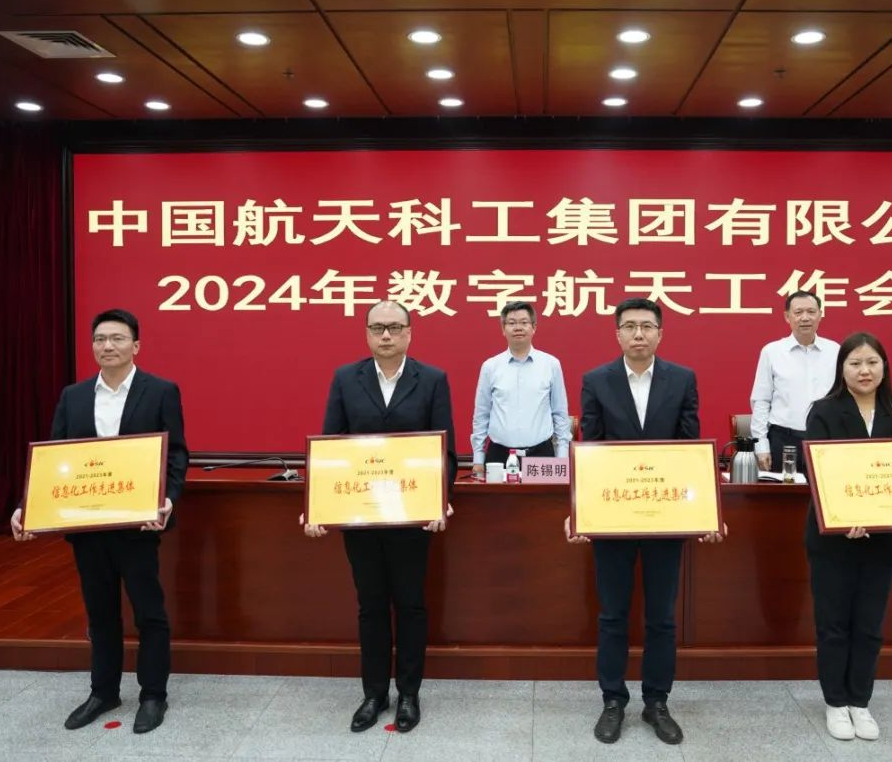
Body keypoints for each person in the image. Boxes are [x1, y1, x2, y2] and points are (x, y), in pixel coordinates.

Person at [10, 308, 188, 734]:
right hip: (88, 527)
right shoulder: (73, 396)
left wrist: (166, 500)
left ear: (135, 346)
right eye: (100, 339)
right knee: (100, 613)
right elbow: (54, 459)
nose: (107, 346)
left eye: (117, 338)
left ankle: (153, 694)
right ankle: (103, 691)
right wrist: (27, 506)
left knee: (149, 612)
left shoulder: (160, 391)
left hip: (138, 525)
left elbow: (177, 454)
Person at [564, 297, 725, 746]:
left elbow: (689, 448)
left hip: (665, 516)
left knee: (661, 617)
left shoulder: (682, 379)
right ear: (617, 333)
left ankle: (657, 702)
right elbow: (591, 450)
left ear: (660, 333)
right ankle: (613, 700)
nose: (639, 334)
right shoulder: (597, 380)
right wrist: (579, 510)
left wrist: (705, 511)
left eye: (647, 326)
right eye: (630, 326)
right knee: (613, 615)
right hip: (613, 515)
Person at [302, 300, 457, 734]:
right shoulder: (345, 378)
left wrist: (440, 499)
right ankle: (373, 693)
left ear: (409, 332)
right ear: (367, 334)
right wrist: (318, 505)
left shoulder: (432, 379)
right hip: (361, 515)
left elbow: (445, 451)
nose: (385, 335)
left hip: (411, 516)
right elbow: (331, 445)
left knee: (410, 603)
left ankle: (408, 693)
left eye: (393, 327)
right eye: (377, 328)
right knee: (370, 605)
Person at [804, 331, 892, 743]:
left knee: (870, 625)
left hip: (883, 540)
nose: (865, 370)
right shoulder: (824, 411)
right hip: (834, 539)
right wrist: (844, 514)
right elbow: (816, 473)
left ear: (884, 368)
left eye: (872, 362)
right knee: (834, 624)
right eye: (856, 363)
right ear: (842, 369)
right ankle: (835, 702)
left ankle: (860, 701)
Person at [470, 301, 571, 476]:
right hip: (499, 456)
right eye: (511, 323)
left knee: (544, 496)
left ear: (534, 327)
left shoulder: (551, 364)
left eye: (524, 322)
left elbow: (560, 415)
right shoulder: (490, 367)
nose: (518, 328)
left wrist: (562, 459)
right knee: (496, 496)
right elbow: (481, 416)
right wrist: (478, 459)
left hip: (541, 455)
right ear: (503, 329)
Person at [750, 290, 839, 474]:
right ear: (787, 317)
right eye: (798, 312)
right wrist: (761, 445)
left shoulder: (835, 351)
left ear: (820, 315)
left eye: (811, 312)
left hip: (826, 440)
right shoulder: (772, 351)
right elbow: (761, 401)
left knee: (824, 491)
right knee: (784, 492)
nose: (805, 318)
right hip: (784, 439)